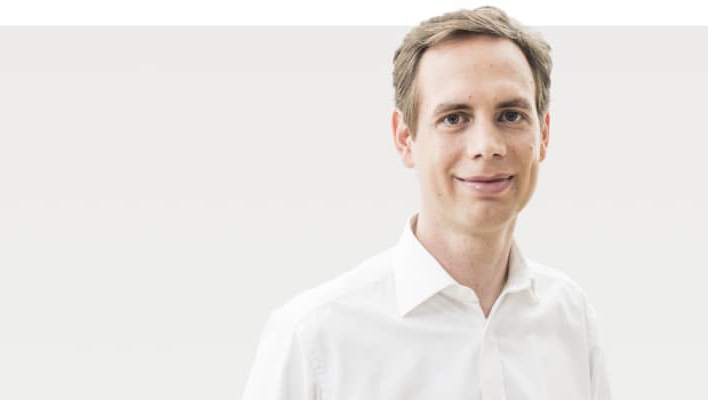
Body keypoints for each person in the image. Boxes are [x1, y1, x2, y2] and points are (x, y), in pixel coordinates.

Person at [241, 6, 611, 400]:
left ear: (544, 134)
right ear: (405, 138)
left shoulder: (570, 318)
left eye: (510, 115)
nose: (487, 146)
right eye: (454, 118)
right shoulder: (311, 340)